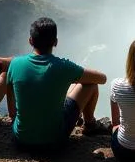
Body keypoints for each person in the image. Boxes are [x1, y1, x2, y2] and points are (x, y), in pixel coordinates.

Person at [6, 16, 107, 150]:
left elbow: (12, 112)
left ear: (30, 41)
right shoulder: (63, 67)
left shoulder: (15, 64)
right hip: (55, 141)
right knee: (90, 84)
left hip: (21, 140)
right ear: (55, 42)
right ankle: (90, 125)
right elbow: (102, 79)